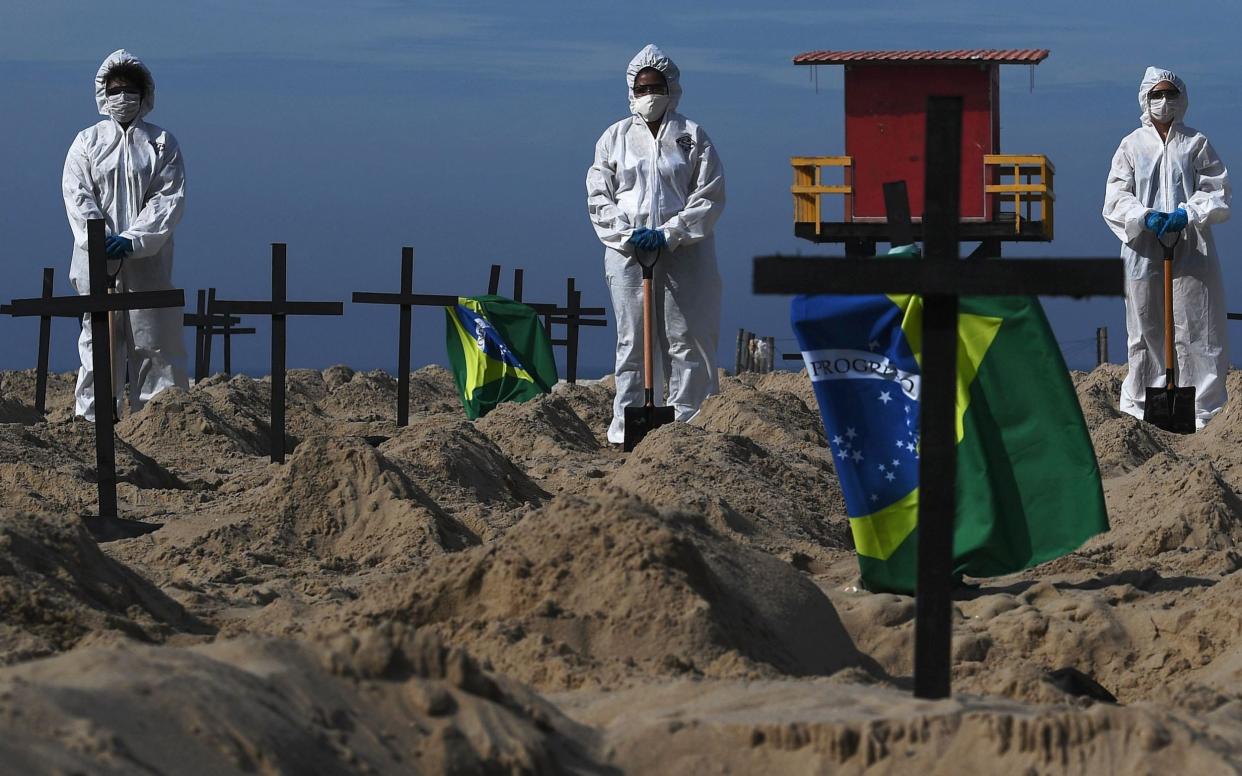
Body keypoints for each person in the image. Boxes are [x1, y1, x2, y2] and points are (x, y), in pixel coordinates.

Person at [586, 44, 726, 444]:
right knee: (632, 339)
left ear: (672, 88)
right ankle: (625, 428)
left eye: (656, 86)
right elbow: (599, 196)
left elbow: (709, 195)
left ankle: (690, 425)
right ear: (632, 90)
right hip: (629, 254)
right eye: (643, 87)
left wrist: (671, 233)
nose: (650, 95)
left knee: (687, 336)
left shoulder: (692, 136)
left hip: (685, 251)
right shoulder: (615, 138)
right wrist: (628, 236)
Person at [62, 50, 188, 421]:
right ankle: (94, 418)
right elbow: (77, 195)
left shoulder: (162, 143)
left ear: (144, 92)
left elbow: (168, 199)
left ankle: (159, 422)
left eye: (130, 89)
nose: (123, 97)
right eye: (115, 89)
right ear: (104, 93)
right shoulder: (87, 142)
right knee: (97, 343)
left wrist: (133, 240)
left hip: (148, 262)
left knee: (155, 344)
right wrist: (98, 239)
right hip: (96, 261)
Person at [1103, 67, 1231, 428]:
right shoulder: (1131, 145)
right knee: (1145, 326)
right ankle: (1141, 405)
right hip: (1143, 249)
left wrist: (1187, 213)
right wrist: (1144, 216)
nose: (1163, 101)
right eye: (1157, 94)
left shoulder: (1196, 143)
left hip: (1191, 246)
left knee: (1198, 324)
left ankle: (1204, 408)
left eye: (1170, 94)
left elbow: (1218, 192)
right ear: (1145, 98)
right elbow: (1116, 197)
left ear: (1181, 98)